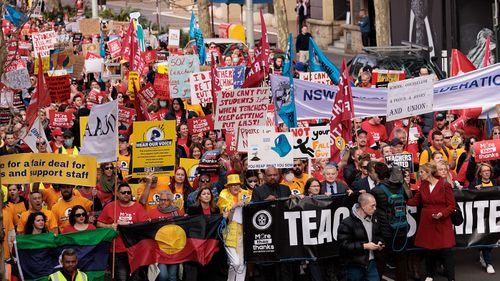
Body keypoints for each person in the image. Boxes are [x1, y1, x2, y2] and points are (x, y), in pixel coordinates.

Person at [407, 163, 456, 281]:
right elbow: (414, 201)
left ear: (428, 172)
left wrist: (442, 214)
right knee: (429, 249)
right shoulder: (423, 185)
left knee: (446, 250)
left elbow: (451, 205)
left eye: (422, 172)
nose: (420, 174)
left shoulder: (445, 185)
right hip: (427, 221)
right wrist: (402, 190)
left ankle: (451, 278)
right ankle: (429, 274)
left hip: (442, 221)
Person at [97, 183, 148, 281]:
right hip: (117, 251)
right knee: (121, 279)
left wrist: (130, 225)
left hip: (135, 251)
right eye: (123, 192)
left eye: (128, 192)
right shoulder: (110, 207)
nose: (126, 194)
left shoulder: (138, 207)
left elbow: (144, 227)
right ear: (117, 194)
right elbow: (98, 224)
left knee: (135, 279)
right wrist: (110, 226)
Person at [370, 164, 408, 281]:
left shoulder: (376, 190)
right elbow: (409, 196)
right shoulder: (401, 187)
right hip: (401, 228)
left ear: (376, 174)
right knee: (401, 260)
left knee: (380, 260)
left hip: (384, 231)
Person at [338, 193, 384, 281]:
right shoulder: (347, 223)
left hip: (372, 263)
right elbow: (343, 246)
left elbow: (379, 235)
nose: (375, 209)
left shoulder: (374, 219)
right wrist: (364, 246)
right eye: (372, 206)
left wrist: (380, 243)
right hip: (354, 266)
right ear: (363, 206)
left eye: (375, 205)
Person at [218, 174, 250, 281]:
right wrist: (234, 206)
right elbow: (227, 218)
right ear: (228, 187)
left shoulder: (245, 194)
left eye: (237, 184)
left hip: (243, 232)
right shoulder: (223, 196)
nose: (236, 187)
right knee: (235, 262)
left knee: (241, 263)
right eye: (232, 185)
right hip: (229, 233)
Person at [149, 190, 181, 281]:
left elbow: (180, 229)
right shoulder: (152, 212)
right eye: (161, 199)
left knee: (172, 276)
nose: (163, 202)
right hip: (158, 250)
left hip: (173, 249)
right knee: (163, 276)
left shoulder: (176, 212)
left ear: (170, 201)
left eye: (166, 200)